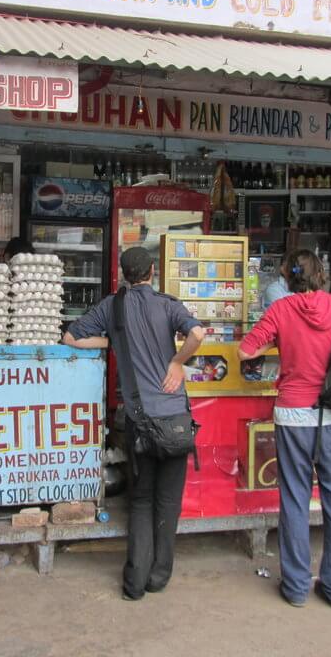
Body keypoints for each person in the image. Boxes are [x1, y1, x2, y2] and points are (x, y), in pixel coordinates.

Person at [63, 247, 206, 601]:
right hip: (174, 420)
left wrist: (113, 341)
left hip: (139, 422)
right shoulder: (167, 305)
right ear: (152, 271)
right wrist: (177, 361)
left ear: (123, 274)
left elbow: (71, 337)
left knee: (141, 501)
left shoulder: (113, 306)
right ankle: (159, 576)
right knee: (168, 502)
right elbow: (198, 334)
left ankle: (134, 583)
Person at [237, 249, 331, 610]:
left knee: (294, 500)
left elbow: (244, 351)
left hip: (293, 416)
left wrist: (279, 340)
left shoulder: (281, 310)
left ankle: (297, 587)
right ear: (320, 274)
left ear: (288, 278)